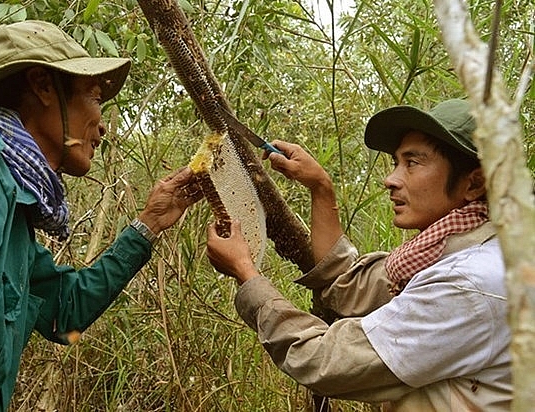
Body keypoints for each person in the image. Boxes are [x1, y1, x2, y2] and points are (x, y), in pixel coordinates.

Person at [0, 20, 201, 410]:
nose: (102, 126)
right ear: (43, 86)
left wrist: (149, 223)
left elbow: (65, 311)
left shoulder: (14, 214)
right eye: (95, 97)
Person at [206, 99, 511, 411]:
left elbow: (325, 362)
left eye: (413, 163)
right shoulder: (451, 248)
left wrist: (246, 273)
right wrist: (320, 187)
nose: (391, 179)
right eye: (396, 163)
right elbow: (348, 285)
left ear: (473, 183)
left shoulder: (470, 284)